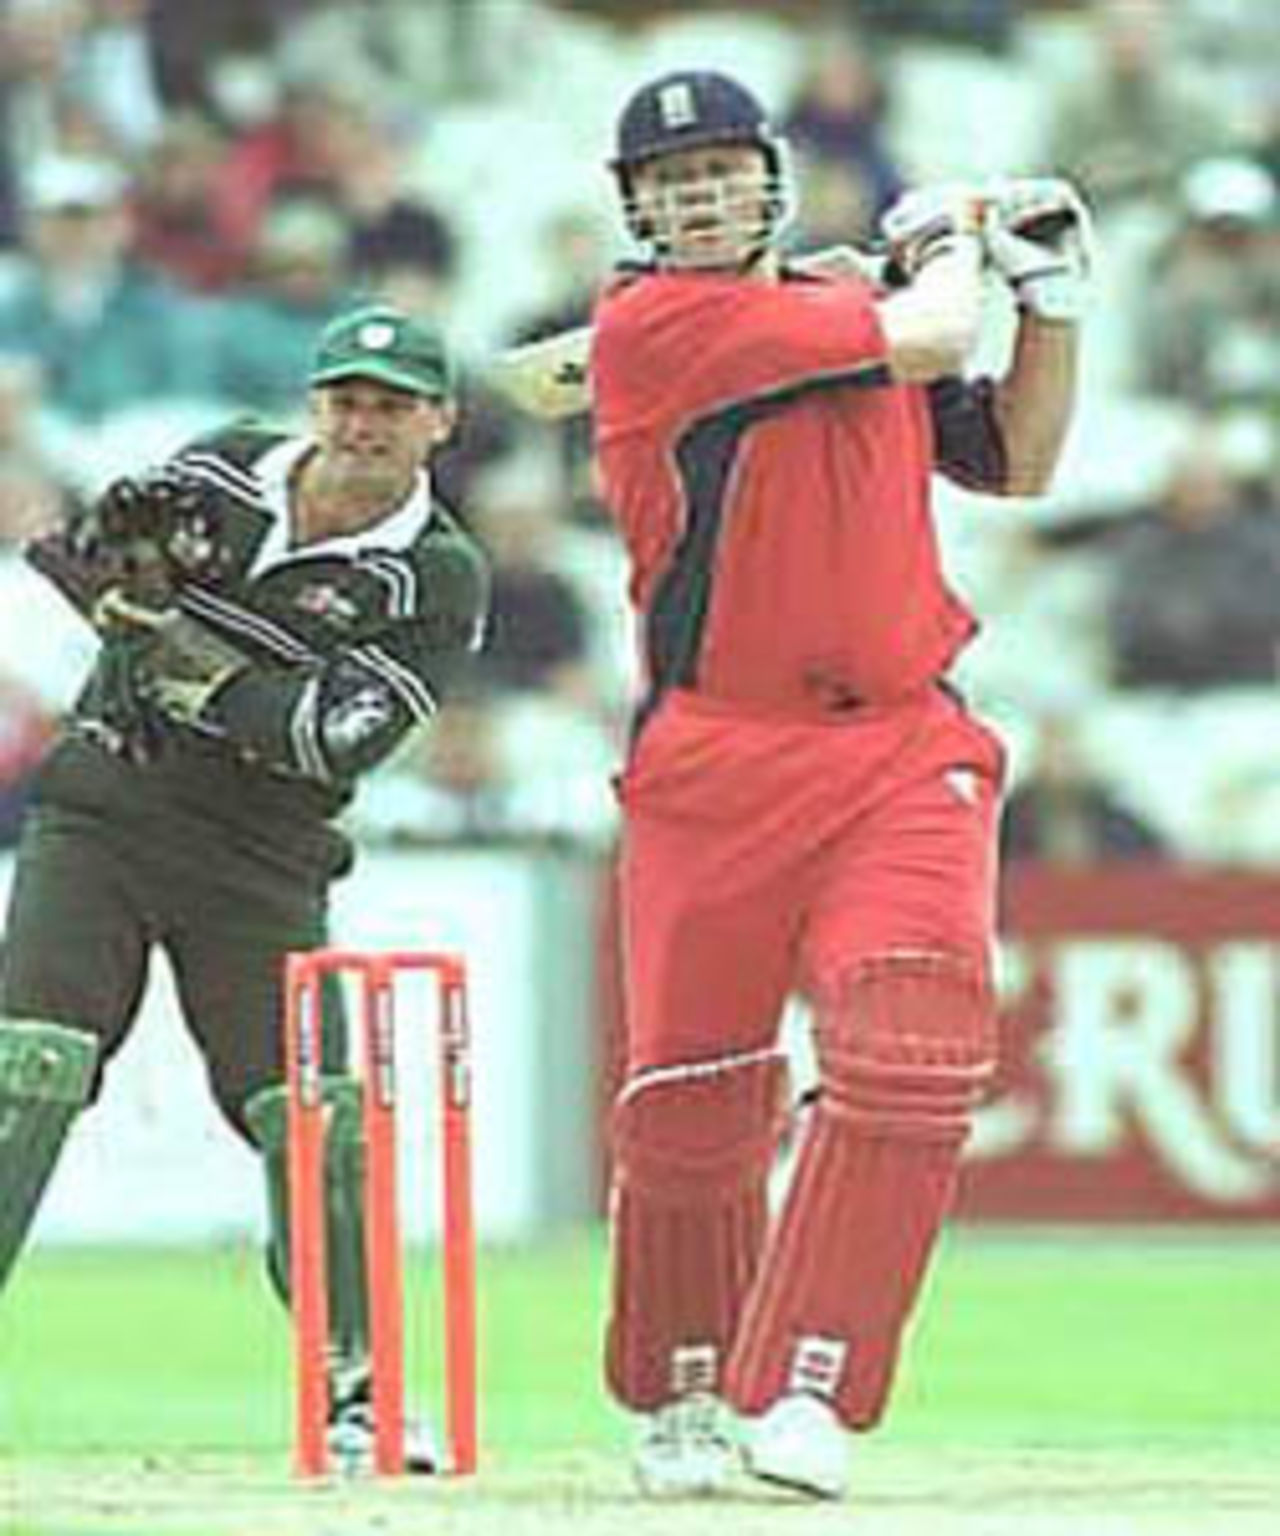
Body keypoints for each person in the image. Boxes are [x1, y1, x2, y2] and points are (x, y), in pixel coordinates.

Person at [589, 69, 1089, 1500]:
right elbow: (931, 332)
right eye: (669, 180)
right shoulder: (657, 327)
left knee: (914, 1045)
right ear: (636, 208)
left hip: (900, 746)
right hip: (713, 760)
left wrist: (1049, 303)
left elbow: (1020, 457)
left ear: (769, 180)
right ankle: (681, 1389)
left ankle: (811, 1383)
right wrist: (949, 241)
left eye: (722, 171)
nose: (698, 197)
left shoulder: (830, 309)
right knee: (693, 1099)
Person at [0, 301, 489, 1470]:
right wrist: (144, 613)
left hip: (261, 860)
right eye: (346, 400)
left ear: (439, 422)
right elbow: (79, 555)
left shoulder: (436, 573)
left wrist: (167, 646)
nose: (363, 425)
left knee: (311, 1116)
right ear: (314, 403)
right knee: (30, 1066)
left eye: (392, 406)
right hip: (103, 811)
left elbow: (325, 740)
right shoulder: (222, 461)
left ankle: (357, 1393)